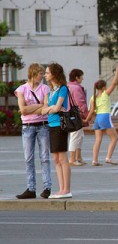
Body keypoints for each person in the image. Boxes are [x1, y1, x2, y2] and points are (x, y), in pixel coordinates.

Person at [14, 63, 52, 199]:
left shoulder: (45, 88)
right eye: (40, 74)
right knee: (28, 158)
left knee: (45, 157)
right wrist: (40, 106)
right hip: (28, 126)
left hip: (43, 125)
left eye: (43, 73)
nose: (42, 76)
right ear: (33, 74)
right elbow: (23, 110)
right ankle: (31, 188)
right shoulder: (21, 89)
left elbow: (46, 108)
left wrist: (33, 108)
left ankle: (47, 187)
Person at [41, 62, 72, 199]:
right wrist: (51, 108)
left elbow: (57, 107)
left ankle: (66, 189)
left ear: (54, 74)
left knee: (63, 158)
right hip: (51, 125)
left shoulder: (63, 89)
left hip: (60, 125)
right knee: (56, 158)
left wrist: (51, 108)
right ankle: (61, 189)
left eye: (47, 72)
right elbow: (44, 110)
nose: (45, 75)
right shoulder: (49, 91)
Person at [84, 65, 118, 166]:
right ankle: (108, 158)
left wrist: (86, 120)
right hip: (105, 117)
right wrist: (117, 72)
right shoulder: (105, 94)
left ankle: (94, 160)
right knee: (114, 138)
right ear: (104, 87)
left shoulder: (93, 97)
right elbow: (114, 83)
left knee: (98, 140)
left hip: (97, 118)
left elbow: (91, 111)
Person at [67, 68, 89, 166]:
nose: (83, 78)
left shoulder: (68, 86)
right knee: (75, 136)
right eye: (81, 76)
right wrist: (86, 115)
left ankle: (78, 157)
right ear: (77, 77)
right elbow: (81, 103)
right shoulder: (76, 88)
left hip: (69, 113)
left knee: (79, 135)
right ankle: (72, 158)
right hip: (76, 114)